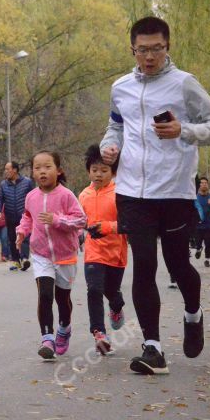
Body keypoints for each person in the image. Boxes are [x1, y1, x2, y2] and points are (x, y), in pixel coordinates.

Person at [100, 16, 210, 375]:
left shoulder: (185, 84)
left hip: (174, 191)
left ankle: (193, 313)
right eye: (143, 49)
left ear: (167, 47)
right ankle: (153, 348)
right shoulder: (121, 86)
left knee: (177, 265)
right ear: (133, 49)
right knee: (144, 264)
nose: (150, 56)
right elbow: (115, 126)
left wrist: (183, 130)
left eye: (157, 48)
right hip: (132, 192)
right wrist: (110, 147)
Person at [16, 151, 86, 360]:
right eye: (37, 168)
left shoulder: (66, 195)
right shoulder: (31, 196)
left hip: (65, 255)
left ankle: (64, 328)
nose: (42, 172)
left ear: (58, 170)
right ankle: (47, 338)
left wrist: (57, 220)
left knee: (62, 298)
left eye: (47, 167)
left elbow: (81, 220)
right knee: (45, 294)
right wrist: (21, 232)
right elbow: (27, 217)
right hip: (41, 254)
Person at [79, 145, 128, 356]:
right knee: (94, 289)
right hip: (93, 252)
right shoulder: (83, 195)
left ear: (113, 172)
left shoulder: (120, 193)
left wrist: (108, 227)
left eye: (104, 170)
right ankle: (99, 333)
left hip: (116, 253)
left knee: (112, 292)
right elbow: (77, 220)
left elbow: (128, 222)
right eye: (94, 170)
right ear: (89, 170)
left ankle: (116, 307)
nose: (98, 174)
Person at [0, 162, 35, 271]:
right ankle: (16, 261)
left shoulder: (27, 182)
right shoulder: (3, 184)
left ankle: (24, 258)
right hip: (10, 216)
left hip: (24, 216)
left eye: (8, 169)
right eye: (5, 169)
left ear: (15, 170)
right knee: (12, 239)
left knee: (24, 236)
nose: (6, 171)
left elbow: (34, 197)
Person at [194, 178, 210, 267]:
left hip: (209, 224)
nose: (204, 184)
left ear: (208, 185)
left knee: (208, 243)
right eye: (202, 183)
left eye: (205, 183)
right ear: (199, 185)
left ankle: (207, 260)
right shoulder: (195, 197)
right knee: (198, 242)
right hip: (198, 225)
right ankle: (198, 249)